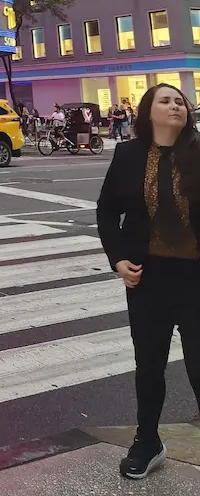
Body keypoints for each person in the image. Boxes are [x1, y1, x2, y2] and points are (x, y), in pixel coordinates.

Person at [97, 83, 200, 480]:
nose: (175, 106)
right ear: (147, 111)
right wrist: (119, 258)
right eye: (166, 101)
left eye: (180, 102)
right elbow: (107, 212)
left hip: (195, 277)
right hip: (148, 278)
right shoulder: (128, 155)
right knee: (149, 364)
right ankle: (148, 440)